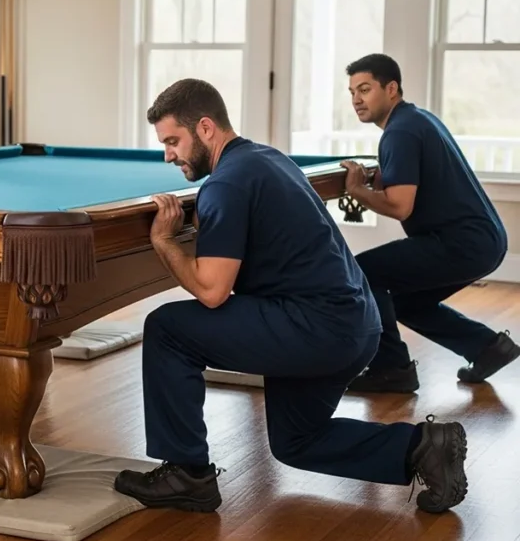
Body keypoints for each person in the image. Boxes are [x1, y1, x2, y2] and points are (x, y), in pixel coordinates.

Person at [113, 78, 468, 516]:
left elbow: (212, 291)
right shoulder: (267, 158)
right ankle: (424, 447)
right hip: (356, 326)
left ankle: (187, 474)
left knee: (167, 328)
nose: (168, 155)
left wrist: (165, 241)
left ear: (205, 128)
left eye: (173, 141)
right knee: (296, 440)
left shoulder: (226, 184)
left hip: (316, 327)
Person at [339, 53, 519, 393]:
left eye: (365, 89)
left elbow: (400, 206)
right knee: (405, 301)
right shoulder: (417, 119)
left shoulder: (400, 132)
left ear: (391, 89)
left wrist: (357, 190)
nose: (356, 100)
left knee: (363, 273)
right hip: (487, 241)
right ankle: (487, 348)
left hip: (461, 243)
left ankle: (392, 370)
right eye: (351, 92)